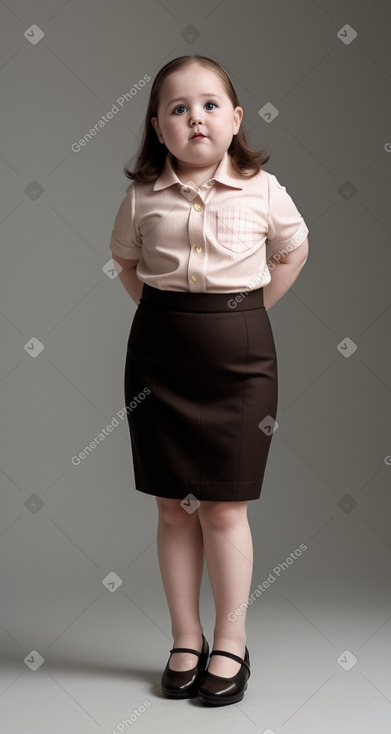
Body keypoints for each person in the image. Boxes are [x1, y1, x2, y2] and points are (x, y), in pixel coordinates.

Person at [109, 54, 309, 706]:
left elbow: (292, 249)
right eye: (177, 107)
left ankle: (230, 640)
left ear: (235, 119)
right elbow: (126, 261)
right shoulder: (141, 194)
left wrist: (242, 315)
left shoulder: (263, 188)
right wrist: (173, 322)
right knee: (173, 507)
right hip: (158, 361)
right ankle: (184, 638)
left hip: (241, 363)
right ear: (158, 127)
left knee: (224, 507)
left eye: (209, 104)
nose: (195, 116)